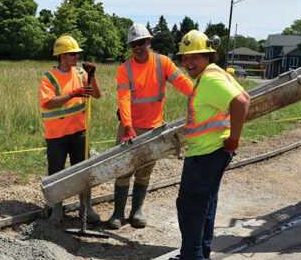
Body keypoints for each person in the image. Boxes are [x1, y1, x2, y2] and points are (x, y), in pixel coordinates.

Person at [157, 30, 250, 260]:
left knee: (190, 208)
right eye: (185, 59)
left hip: (206, 153)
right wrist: (230, 139)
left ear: (207, 55)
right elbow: (246, 97)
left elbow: (241, 103)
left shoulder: (209, 79)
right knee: (205, 207)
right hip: (212, 152)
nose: (188, 64)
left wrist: (234, 139)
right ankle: (200, 258)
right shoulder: (216, 73)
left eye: (194, 58)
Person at [108, 24, 193, 229]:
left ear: (149, 42)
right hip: (130, 127)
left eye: (142, 43)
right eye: (133, 44)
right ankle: (118, 213)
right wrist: (128, 126)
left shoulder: (162, 63)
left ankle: (137, 211)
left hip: (154, 128)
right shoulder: (125, 69)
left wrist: (199, 97)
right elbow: (124, 99)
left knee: (145, 171)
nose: (138, 47)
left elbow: (183, 83)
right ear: (130, 46)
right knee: (123, 169)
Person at [39, 35, 102, 223]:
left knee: (83, 173)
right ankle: (57, 210)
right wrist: (73, 93)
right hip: (56, 135)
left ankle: (86, 208)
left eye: (77, 54)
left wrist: (93, 76)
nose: (77, 57)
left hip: (79, 132)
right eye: (73, 54)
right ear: (62, 56)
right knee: (57, 173)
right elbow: (49, 103)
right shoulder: (49, 78)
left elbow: (97, 95)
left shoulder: (82, 74)